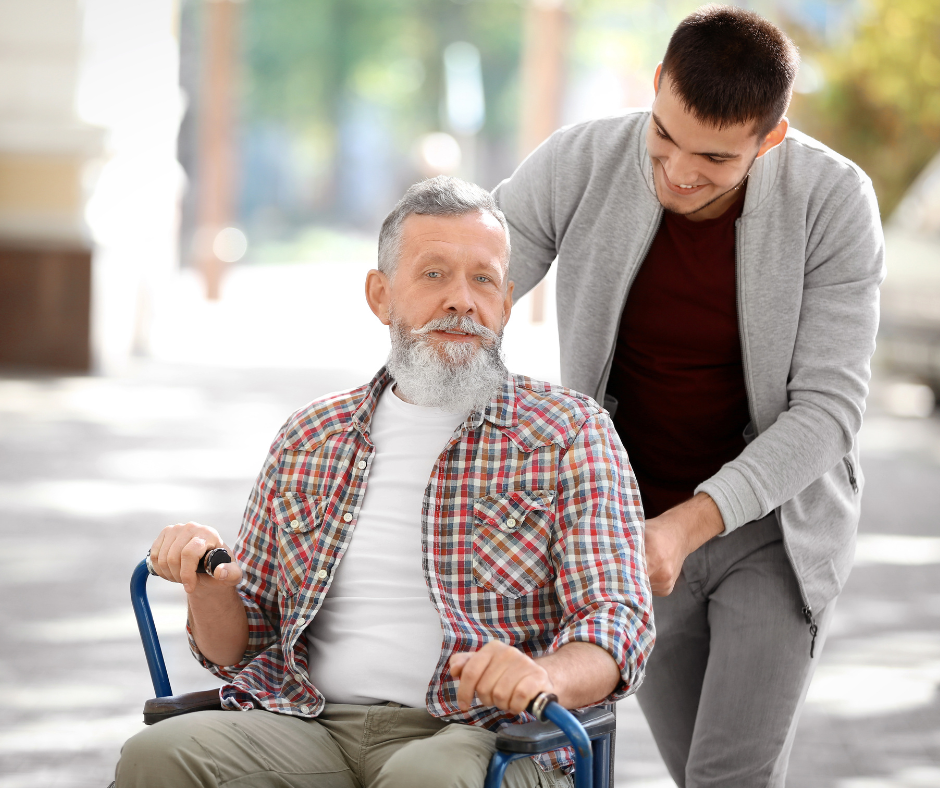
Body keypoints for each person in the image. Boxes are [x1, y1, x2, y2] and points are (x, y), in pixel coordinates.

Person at [115, 177, 654, 788]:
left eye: (482, 279)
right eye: (433, 275)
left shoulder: (569, 432)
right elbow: (243, 646)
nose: (461, 300)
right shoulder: (310, 436)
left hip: (485, 735)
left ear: (506, 301)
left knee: (425, 777)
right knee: (156, 755)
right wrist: (206, 586)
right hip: (311, 725)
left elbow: (617, 622)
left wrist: (545, 677)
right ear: (380, 295)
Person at [493, 6, 884, 787]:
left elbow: (828, 413)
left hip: (771, 534)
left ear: (767, 139)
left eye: (713, 156)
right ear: (657, 88)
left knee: (726, 780)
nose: (677, 171)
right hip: (631, 535)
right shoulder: (583, 159)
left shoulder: (834, 201)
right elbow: (475, 275)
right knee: (695, 773)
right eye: (665, 135)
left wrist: (689, 524)